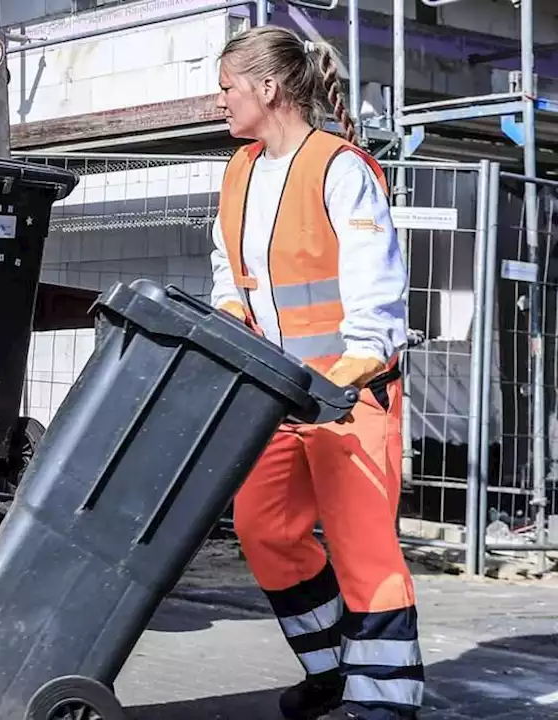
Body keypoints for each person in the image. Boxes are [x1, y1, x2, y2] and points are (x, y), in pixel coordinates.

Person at [208, 26, 424, 720]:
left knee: (364, 548)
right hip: (278, 394)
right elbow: (230, 269)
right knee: (263, 527)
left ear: (267, 89)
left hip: (347, 393)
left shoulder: (340, 168)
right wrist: (228, 313)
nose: (220, 103)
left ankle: (386, 703)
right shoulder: (240, 169)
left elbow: (377, 302)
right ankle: (332, 668)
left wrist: (344, 379)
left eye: (227, 88)